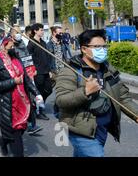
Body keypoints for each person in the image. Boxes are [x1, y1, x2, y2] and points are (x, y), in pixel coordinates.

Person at [56, 29, 138, 157]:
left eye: (104, 46)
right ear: (84, 48)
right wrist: (85, 91)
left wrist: (135, 113)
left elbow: (122, 97)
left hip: (101, 129)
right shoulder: (71, 71)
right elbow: (61, 100)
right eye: (97, 47)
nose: (102, 50)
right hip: (81, 130)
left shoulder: (108, 69)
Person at [0, 37, 42, 157]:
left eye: (14, 46)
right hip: (7, 102)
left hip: (22, 101)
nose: (13, 49)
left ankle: (3, 140)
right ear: (3, 46)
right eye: (10, 47)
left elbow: (26, 79)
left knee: (21, 128)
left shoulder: (16, 59)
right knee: (15, 133)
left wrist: (36, 93)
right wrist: (13, 81)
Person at [10, 27, 42, 135]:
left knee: (30, 100)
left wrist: (32, 69)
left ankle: (32, 125)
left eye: (20, 32)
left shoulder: (22, 43)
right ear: (12, 34)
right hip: (15, 78)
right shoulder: (8, 44)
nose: (19, 34)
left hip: (26, 76)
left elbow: (27, 57)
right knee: (21, 102)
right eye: (17, 32)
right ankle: (21, 125)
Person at [27, 23, 52, 120]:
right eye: (41, 30)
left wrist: (49, 70)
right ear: (35, 31)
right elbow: (29, 58)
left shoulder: (43, 42)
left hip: (45, 70)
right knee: (39, 91)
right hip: (37, 71)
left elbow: (46, 57)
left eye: (43, 30)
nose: (42, 32)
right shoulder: (31, 43)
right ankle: (39, 111)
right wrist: (33, 69)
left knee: (48, 90)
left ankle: (37, 104)